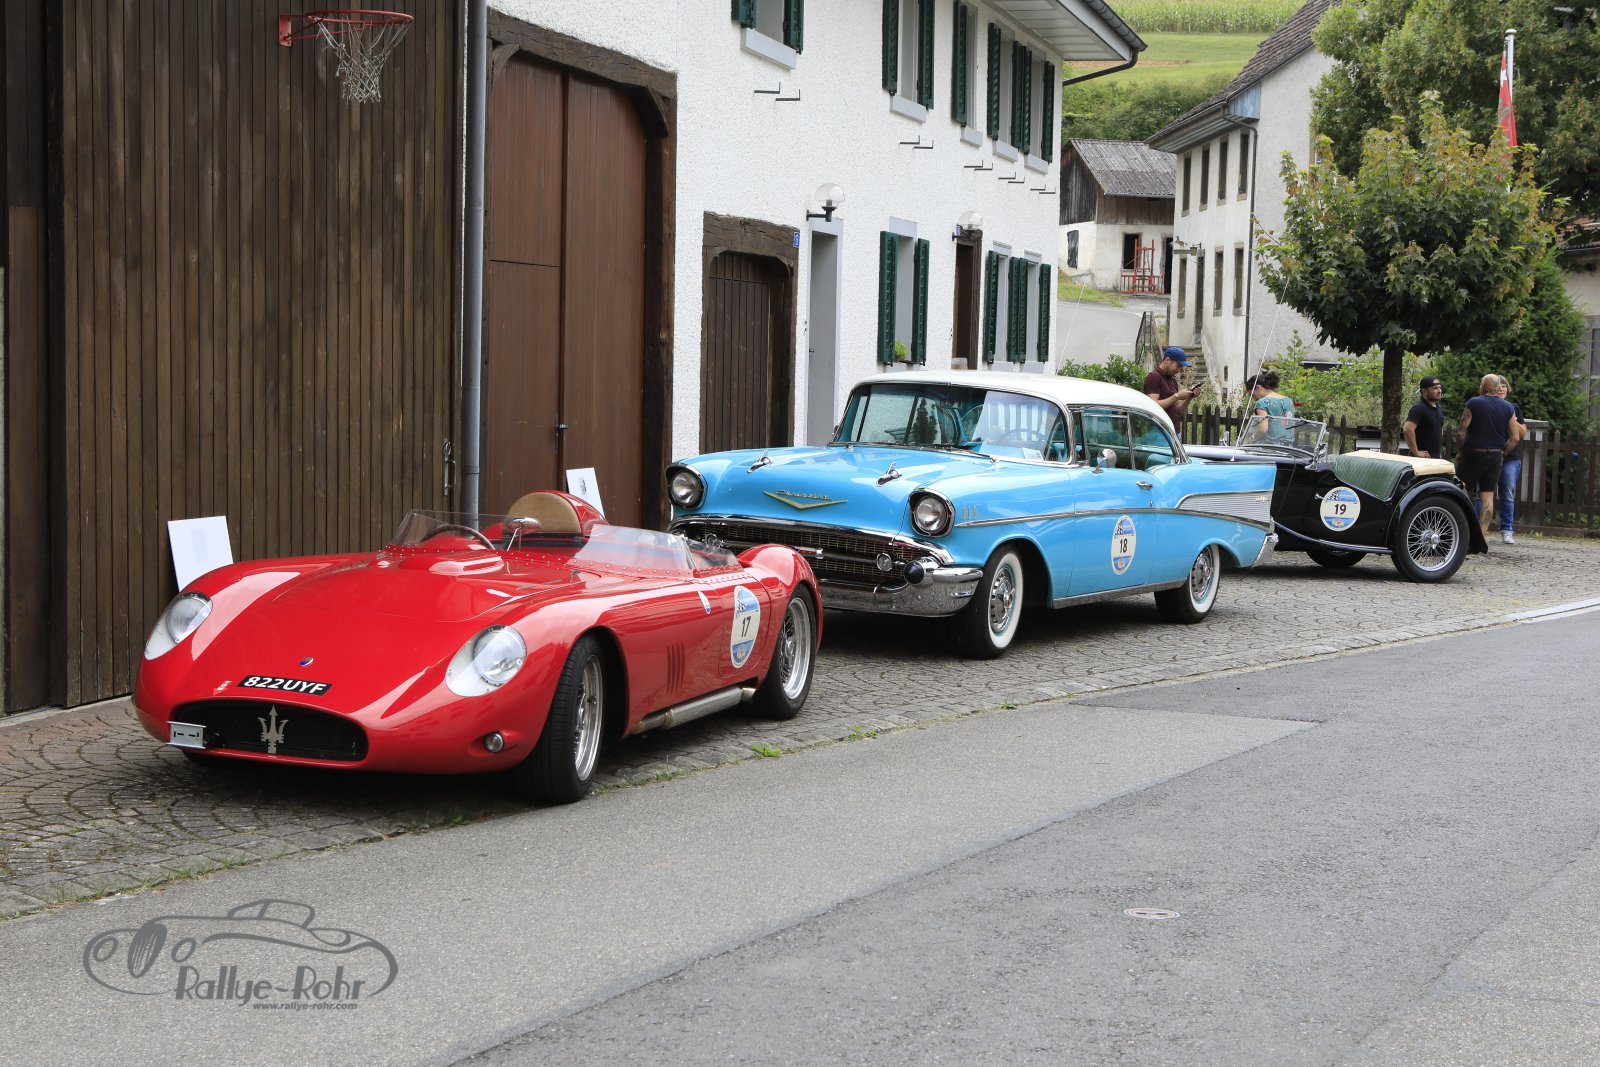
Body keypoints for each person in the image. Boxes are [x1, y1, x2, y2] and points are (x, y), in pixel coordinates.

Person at [1456, 374, 1523, 538]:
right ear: (1497, 387)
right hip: (1495, 457)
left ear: (1483, 386)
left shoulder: (1473, 403)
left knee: (1459, 490)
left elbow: (1461, 432)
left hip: (1473, 454)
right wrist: (1503, 451)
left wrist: (1460, 451)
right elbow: (1515, 437)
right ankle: (1481, 536)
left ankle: (1459, 529)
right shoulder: (1508, 407)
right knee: (1487, 497)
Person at [1494, 375, 1528, 545]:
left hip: (1510, 458)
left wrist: (1511, 416)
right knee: (1482, 494)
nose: (1501, 389)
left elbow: (1522, 433)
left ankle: (1507, 529)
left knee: (1507, 493)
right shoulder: (1488, 406)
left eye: (1504, 386)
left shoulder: (1513, 408)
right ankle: (1479, 528)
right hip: (1489, 455)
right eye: (1498, 386)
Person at [1145, 347, 1199, 434]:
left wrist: (1189, 398)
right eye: (1177, 366)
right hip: (1160, 433)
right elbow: (1153, 406)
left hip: (1174, 432)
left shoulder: (1173, 381)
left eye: (1181, 368)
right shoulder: (1153, 377)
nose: (1179, 370)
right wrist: (1176, 396)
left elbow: (1178, 412)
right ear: (1167, 360)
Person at [1243, 371, 1295, 443]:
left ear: (1257, 388)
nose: (1253, 398)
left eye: (1251, 394)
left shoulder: (1262, 403)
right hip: (1287, 445)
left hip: (1269, 446)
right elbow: (1292, 426)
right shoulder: (1288, 401)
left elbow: (1263, 429)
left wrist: (1251, 439)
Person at [1403, 376, 1446, 458]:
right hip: (1420, 461)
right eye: (1435, 388)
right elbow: (1407, 430)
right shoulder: (1418, 409)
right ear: (1424, 391)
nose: (1439, 391)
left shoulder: (1439, 408)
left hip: (1435, 460)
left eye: (1440, 388)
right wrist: (1416, 452)